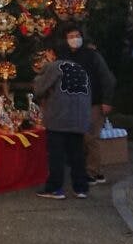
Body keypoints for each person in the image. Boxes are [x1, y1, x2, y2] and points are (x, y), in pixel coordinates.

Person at [56, 23, 116, 184]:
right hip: (74, 103)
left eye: (77, 36)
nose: (74, 39)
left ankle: (92, 171)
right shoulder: (64, 56)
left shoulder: (92, 55)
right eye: (71, 37)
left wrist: (107, 100)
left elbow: (107, 78)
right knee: (80, 138)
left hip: (93, 102)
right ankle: (94, 171)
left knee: (90, 137)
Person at [33, 41, 93, 200]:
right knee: (77, 154)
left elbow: (39, 88)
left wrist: (42, 71)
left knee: (56, 155)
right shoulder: (80, 68)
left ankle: (54, 188)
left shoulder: (54, 67)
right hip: (80, 117)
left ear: (52, 53)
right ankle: (81, 188)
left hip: (59, 116)